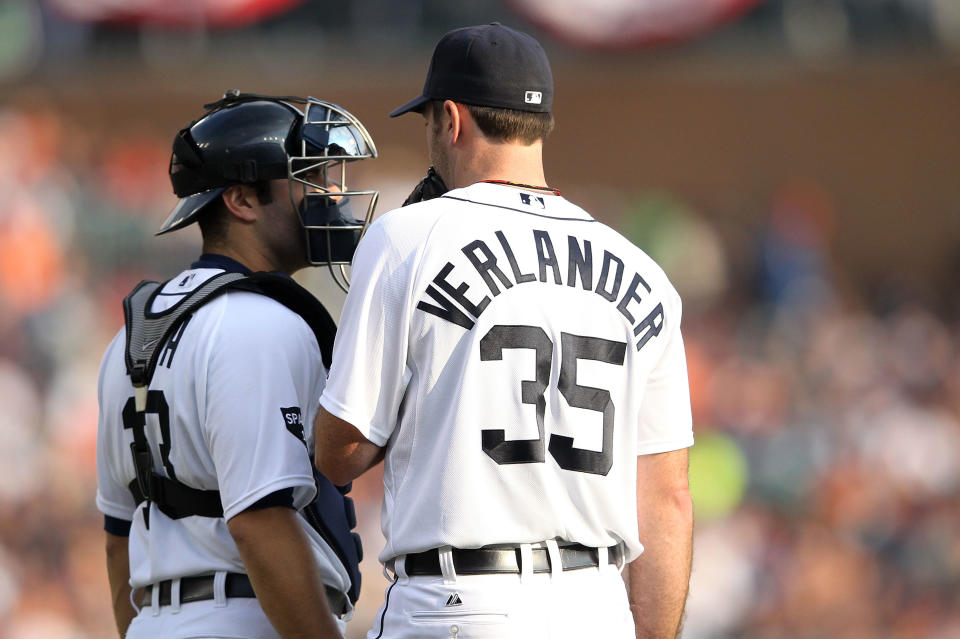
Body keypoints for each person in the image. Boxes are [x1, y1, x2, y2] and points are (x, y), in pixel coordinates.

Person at [314, 23, 694, 639]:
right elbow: (667, 499)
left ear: (452, 120)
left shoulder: (409, 238)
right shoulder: (644, 272)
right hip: (597, 608)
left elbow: (341, 454)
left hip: (460, 602)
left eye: (430, 120)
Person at [96, 91, 378, 639]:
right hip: (250, 617)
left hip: (157, 622)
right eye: (310, 177)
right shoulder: (260, 322)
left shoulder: (128, 338)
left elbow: (117, 539)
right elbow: (260, 520)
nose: (333, 194)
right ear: (243, 201)